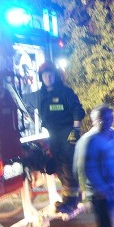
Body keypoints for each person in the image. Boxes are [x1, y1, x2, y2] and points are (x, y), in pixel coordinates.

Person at [37, 61, 86, 215]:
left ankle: (70, 202)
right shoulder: (42, 94)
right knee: (57, 165)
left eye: (51, 75)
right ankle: (71, 197)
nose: (48, 78)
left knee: (67, 165)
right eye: (45, 75)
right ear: (41, 77)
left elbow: (78, 110)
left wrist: (76, 129)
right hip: (52, 134)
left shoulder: (65, 92)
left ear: (56, 76)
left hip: (66, 132)